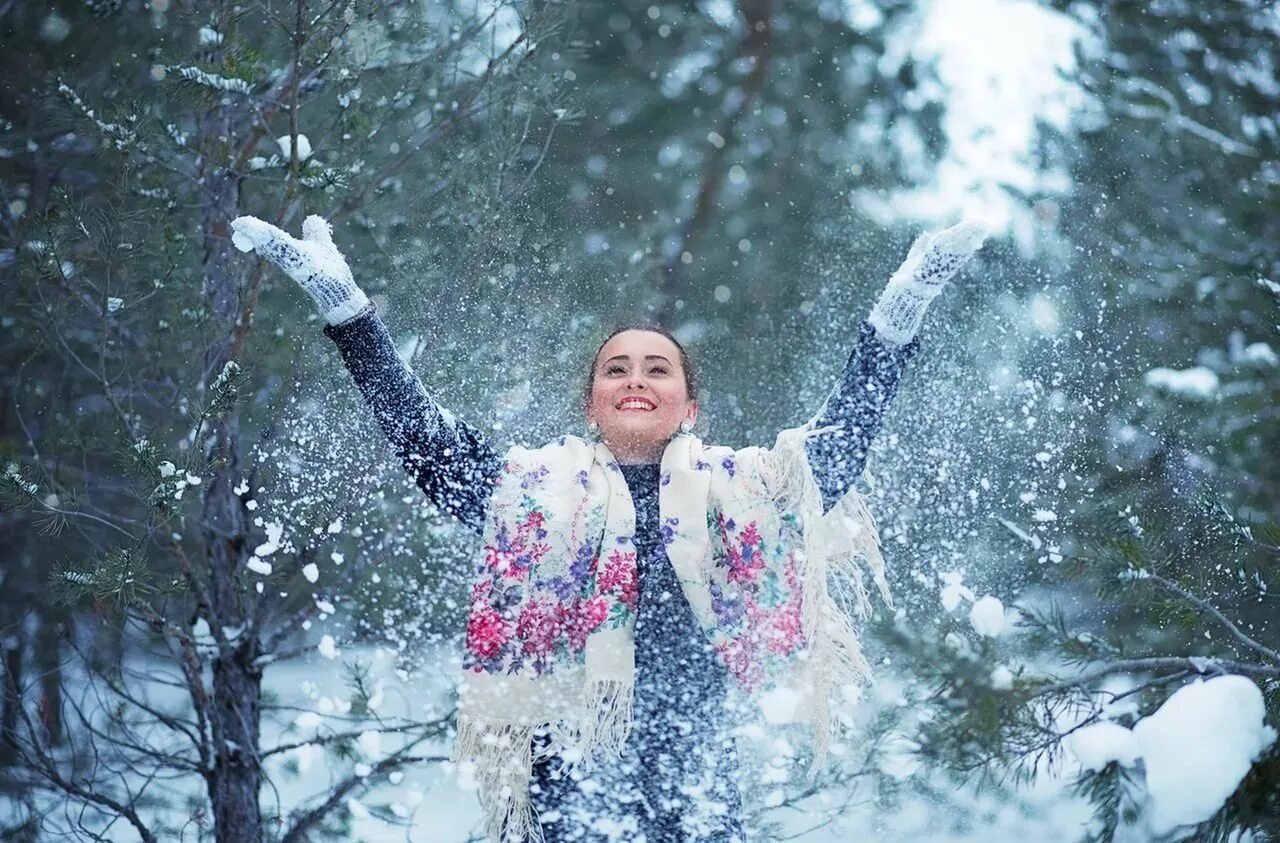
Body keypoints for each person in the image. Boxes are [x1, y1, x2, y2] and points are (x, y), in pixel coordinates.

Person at [230, 213, 988, 842]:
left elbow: (841, 441)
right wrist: (348, 313)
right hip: (572, 800)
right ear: (591, 404)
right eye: (615, 368)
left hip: (696, 796)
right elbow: (426, 440)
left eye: (657, 368)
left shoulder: (743, 494)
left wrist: (900, 307)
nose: (634, 378)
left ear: (690, 406)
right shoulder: (535, 495)